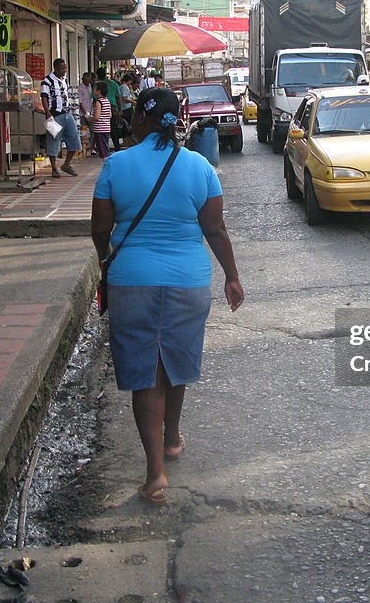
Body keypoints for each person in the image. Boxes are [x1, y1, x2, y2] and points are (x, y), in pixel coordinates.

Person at [91, 86, 244, 506]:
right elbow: (215, 230)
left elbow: (100, 229)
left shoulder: (115, 165)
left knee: (146, 374)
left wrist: (107, 263)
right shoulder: (200, 167)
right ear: (178, 120)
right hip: (188, 282)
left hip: (132, 280)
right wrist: (232, 277)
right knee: (174, 362)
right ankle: (173, 438)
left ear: (139, 118)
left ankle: (155, 473)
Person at [40, 59, 80, 177]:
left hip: (67, 114)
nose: (64, 71)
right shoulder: (47, 81)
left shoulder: (64, 81)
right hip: (55, 115)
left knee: (74, 139)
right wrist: (47, 112)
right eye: (62, 68)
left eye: (65, 68)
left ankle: (66, 164)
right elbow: (44, 97)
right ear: (55, 68)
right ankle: (54, 168)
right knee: (53, 141)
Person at [97, 67, 124, 151]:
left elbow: (94, 98)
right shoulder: (113, 83)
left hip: (100, 106)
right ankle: (116, 147)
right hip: (112, 107)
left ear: (97, 75)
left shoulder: (97, 86)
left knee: (101, 129)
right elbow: (118, 97)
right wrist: (120, 109)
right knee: (113, 129)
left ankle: (103, 148)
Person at [91, 80, 113, 158]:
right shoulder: (107, 101)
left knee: (103, 151)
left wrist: (90, 118)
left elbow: (96, 117)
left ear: (98, 91)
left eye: (95, 89)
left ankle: (107, 166)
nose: (93, 90)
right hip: (106, 128)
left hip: (100, 129)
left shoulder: (98, 102)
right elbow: (110, 115)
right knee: (105, 147)